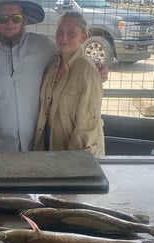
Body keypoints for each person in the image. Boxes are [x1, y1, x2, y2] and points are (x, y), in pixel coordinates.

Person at [0, 0, 108, 152]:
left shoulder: (44, 46)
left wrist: (96, 66)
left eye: (16, 18)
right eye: (3, 18)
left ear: (24, 20)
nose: (10, 23)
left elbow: (70, 54)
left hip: (33, 147)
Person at [33, 12, 105, 156]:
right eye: (60, 31)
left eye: (71, 33)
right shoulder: (52, 65)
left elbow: (87, 124)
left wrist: (74, 160)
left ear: (83, 37)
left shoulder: (87, 71)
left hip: (75, 150)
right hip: (49, 139)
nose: (63, 38)